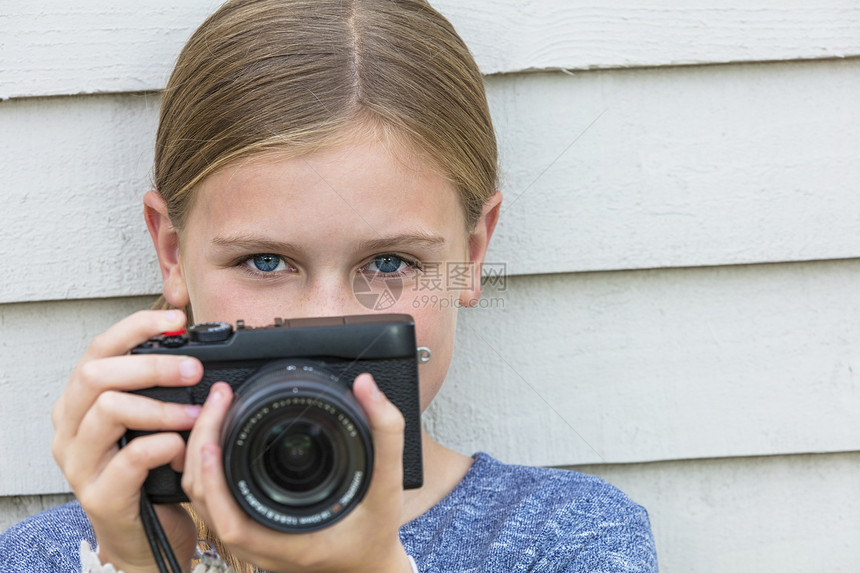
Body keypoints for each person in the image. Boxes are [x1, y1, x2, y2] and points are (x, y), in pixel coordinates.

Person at [0, 0, 658, 571]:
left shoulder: (568, 540)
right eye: (265, 261)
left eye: (391, 262)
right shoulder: (57, 558)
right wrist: (142, 562)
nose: (326, 320)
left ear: (472, 253)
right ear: (173, 252)